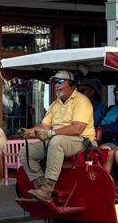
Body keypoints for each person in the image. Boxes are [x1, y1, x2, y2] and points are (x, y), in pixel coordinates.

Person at [20, 70, 96, 203]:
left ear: (71, 84)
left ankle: (47, 189)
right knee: (25, 152)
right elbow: (45, 127)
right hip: (59, 140)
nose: (56, 85)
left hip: (82, 141)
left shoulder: (81, 101)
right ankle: (41, 186)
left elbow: (77, 128)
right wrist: (30, 131)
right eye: (54, 82)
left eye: (60, 81)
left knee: (56, 141)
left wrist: (51, 133)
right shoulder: (55, 104)